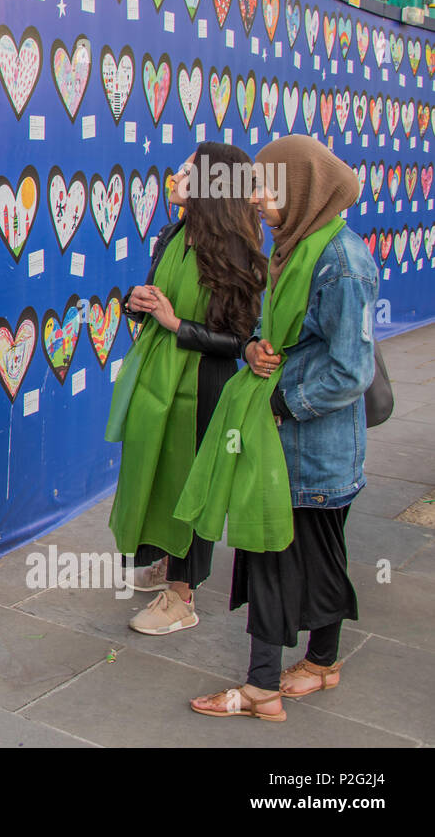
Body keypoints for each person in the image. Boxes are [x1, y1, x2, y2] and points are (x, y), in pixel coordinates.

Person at [183, 134, 377, 722]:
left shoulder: (340, 263)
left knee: (269, 557)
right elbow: (291, 339)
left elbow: (351, 369)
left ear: (303, 190)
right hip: (300, 445)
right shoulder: (298, 248)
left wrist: (282, 401)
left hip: (309, 447)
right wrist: (257, 350)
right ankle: (321, 663)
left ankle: (262, 687)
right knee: (317, 560)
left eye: (268, 191)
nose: (257, 204)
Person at [106, 142, 267, 636]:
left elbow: (241, 339)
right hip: (157, 380)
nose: (175, 176)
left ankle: (183, 595)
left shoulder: (236, 251)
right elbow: (153, 299)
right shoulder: (174, 234)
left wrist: (176, 324)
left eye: (187, 171)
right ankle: (165, 562)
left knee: (190, 483)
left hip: (204, 385)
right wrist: (137, 301)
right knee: (154, 474)